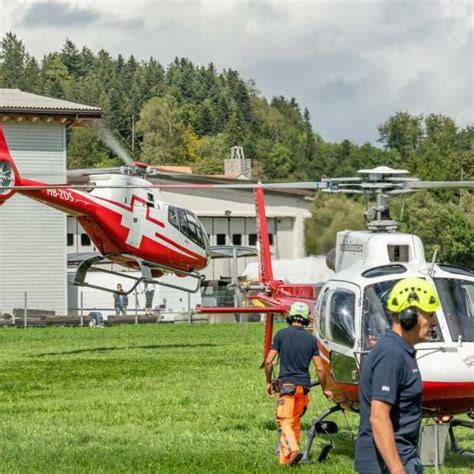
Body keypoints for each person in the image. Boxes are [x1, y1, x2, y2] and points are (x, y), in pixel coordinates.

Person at [355, 278, 440, 474]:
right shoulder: (391, 354)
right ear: (409, 316)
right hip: (388, 465)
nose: (434, 321)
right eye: (430, 314)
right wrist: (397, 470)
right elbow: (378, 417)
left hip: (404, 458)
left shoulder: (401, 350)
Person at [264, 301, 324, 467]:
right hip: (303, 388)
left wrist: (269, 381)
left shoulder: (281, 335)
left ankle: (294, 449)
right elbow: (319, 368)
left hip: (287, 387)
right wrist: (326, 389)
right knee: (294, 422)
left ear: (290, 316)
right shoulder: (312, 340)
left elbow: (269, 362)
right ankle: (286, 462)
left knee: (284, 420)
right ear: (306, 319)